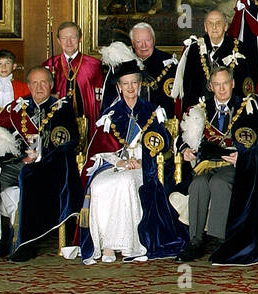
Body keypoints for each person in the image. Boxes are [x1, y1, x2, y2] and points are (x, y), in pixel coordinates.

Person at [78, 60, 185, 264]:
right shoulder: (111, 115)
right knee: (99, 185)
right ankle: (106, 245)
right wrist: (119, 162)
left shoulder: (153, 112)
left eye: (134, 83)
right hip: (116, 165)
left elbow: (161, 145)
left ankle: (128, 244)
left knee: (125, 182)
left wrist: (142, 161)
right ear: (118, 86)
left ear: (140, 84)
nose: (130, 88)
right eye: (125, 84)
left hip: (143, 168)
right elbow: (100, 149)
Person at [0, 67, 82, 262]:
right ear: (28, 86)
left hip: (48, 165)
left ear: (51, 84)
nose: (39, 87)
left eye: (43, 83)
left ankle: (25, 242)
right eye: (35, 83)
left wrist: (40, 155)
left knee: (27, 177)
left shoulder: (62, 108)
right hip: (16, 162)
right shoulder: (17, 107)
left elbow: (68, 140)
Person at [176, 68, 258, 262]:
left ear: (233, 83)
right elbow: (181, 137)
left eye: (225, 83)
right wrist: (185, 149)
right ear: (210, 86)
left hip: (233, 166)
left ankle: (222, 241)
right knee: (198, 184)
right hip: (206, 165)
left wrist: (242, 156)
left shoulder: (247, 107)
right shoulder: (200, 108)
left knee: (218, 183)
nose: (221, 88)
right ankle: (195, 242)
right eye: (217, 84)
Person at [173, 9, 255, 110]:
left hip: (231, 110)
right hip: (200, 111)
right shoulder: (194, 49)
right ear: (205, 27)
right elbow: (188, 87)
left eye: (218, 23)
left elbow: (246, 86)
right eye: (210, 23)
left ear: (225, 26)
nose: (214, 27)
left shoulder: (240, 49)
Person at [41, 21, 105, 140]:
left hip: (86, 119)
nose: (69, 42)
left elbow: (99, 97)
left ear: (80, 39)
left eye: (73, 37)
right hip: (59, 122)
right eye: (64, 38)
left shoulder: (94, 65)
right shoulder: (50, 65)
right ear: (59, 41)